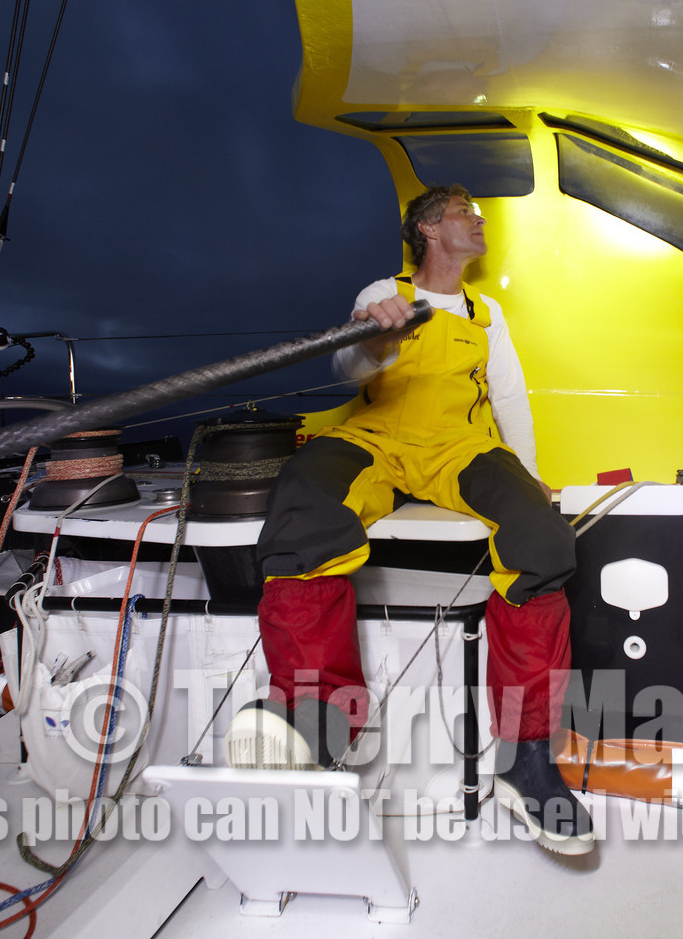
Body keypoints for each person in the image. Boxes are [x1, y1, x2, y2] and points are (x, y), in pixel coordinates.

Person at [232, 184, 592, 855]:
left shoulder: (489, 313)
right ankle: (323, 715)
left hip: (459, 448)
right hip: (378, 439)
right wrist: (378, 340)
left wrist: (531, 474)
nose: (477, 218)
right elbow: (347, 367)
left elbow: (509, 395)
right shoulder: (384, 289)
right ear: (428, 228)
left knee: (542, 540)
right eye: (463, 211)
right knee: (303, 503)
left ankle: (528, 760)